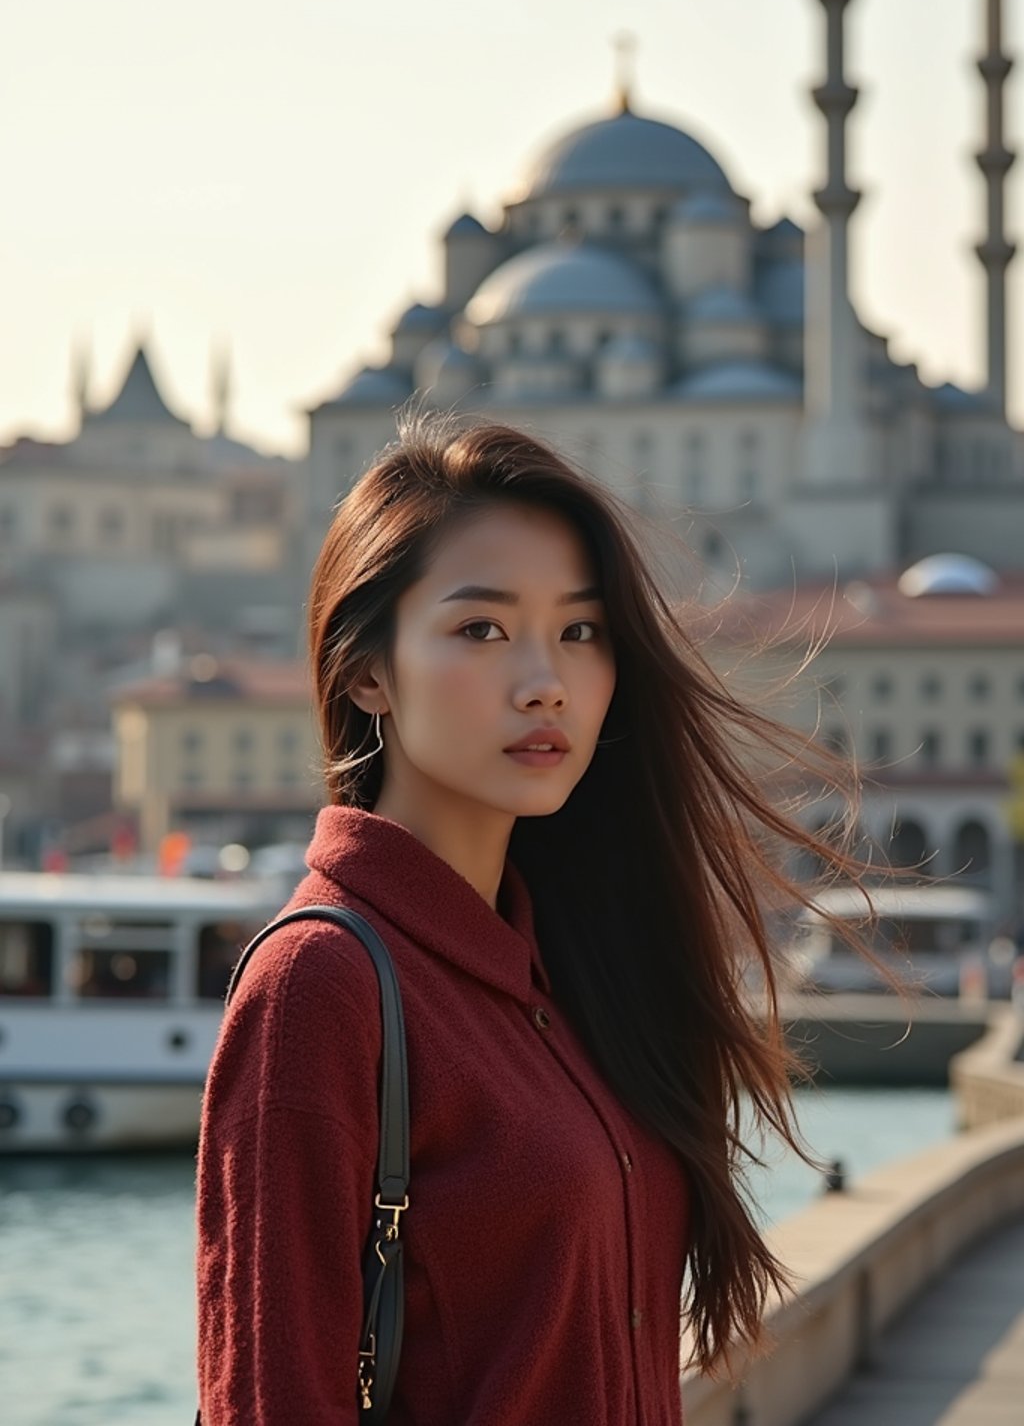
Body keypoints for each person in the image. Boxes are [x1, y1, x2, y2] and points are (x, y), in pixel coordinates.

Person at [195, 407, 896, 1424]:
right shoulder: (322, 986)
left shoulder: (571, 971)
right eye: (481, 629)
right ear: (366, 672)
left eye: (579, 632)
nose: (546, 685)